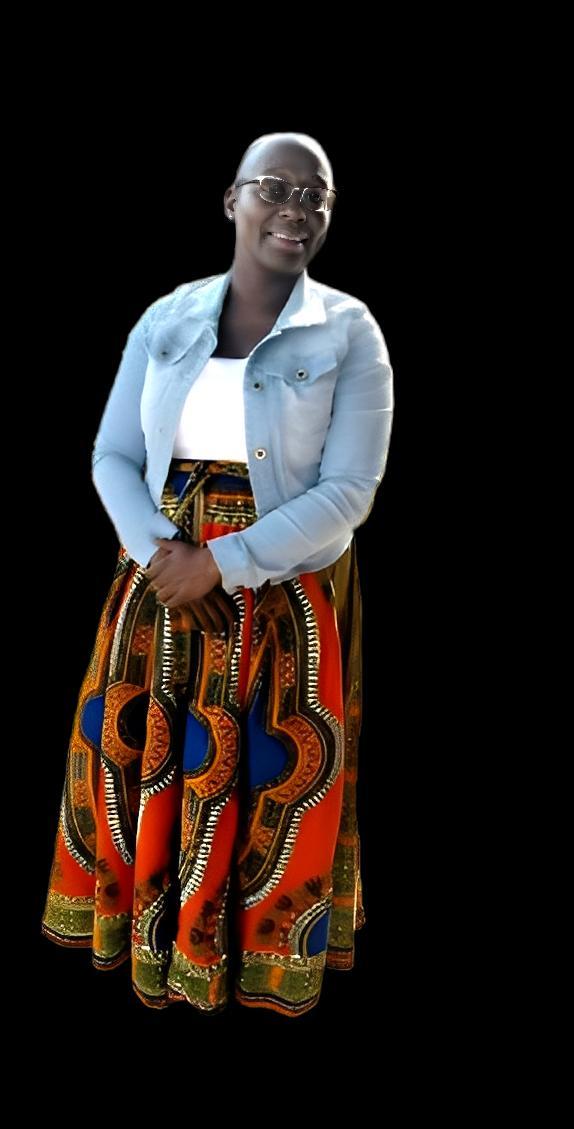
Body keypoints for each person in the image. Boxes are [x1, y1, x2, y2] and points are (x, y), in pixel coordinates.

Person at [41, 130, 395, 1017]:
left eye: (315, 196)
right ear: (231, 199)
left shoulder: (349, 329)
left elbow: (349, 489)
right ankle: (156, 946)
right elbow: (113, 454)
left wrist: (223, 564)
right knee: (144, 756)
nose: (294, 209)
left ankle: (252, 960)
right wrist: (162, 555)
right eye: (274, 187)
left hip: (282, 592)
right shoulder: (167, 317)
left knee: (271, 771)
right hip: (158, 581)